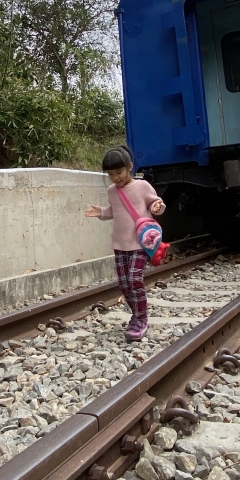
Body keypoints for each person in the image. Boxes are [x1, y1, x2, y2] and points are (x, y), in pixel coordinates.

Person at [85, 145, 165, 342]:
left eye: (119, 172)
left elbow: (156, 205)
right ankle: (136, 315)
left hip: (139, 243)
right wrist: (102, 212)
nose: (115, 178)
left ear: (130, 167)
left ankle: (141, 318)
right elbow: (115, 210)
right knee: (123, 283)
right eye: (111, 174)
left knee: (134, 279)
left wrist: (157, 206)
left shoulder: (143, 186)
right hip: (120, 244)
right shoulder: (113, 191)